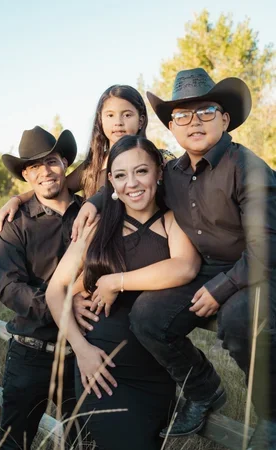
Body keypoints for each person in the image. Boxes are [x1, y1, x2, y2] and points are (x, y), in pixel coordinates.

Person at [71, 68, 276, 450]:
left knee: (236, 317)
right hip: (208, 270)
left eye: (206, 111)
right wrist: (95, 202)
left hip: (259, 270)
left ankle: (270, 412)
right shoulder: (174, 171)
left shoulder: (247, 168)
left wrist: (223, 287)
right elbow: (133, 178)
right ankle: (203, 388)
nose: (193, 121)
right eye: (182, 115)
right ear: (172, 126)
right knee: (147, 316)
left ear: (225, 118)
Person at [45, 135, 201, 450]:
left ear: (159, 172)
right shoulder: (97, 227)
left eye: (141, 171)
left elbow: (185, 267)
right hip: (102, 370)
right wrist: (81, 349)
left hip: (156, 371)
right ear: (112, 184)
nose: (132, 183)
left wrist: (115, 281)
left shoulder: (173, 221)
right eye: (120, 175)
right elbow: (54, 292)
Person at [0, 126, 82, 449]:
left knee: (83, 441)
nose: (45, 171)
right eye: (34, 166)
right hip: (31, 352)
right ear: (26, 176)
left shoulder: (90, 213)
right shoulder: (14, 225)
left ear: (65, 164)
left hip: (80, 356)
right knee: (15, 442)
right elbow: (10, 288)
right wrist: (64, 307)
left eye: (52, 161)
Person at [0, 84, 175, 234]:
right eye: (110, 115)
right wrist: (17, 199)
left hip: (151, 239)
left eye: (127, 115)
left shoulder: (159, 159)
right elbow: (56, 184)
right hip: (102, 248)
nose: (118, 122)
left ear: (141, 120)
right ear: (101, 121)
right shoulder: (93, 165)